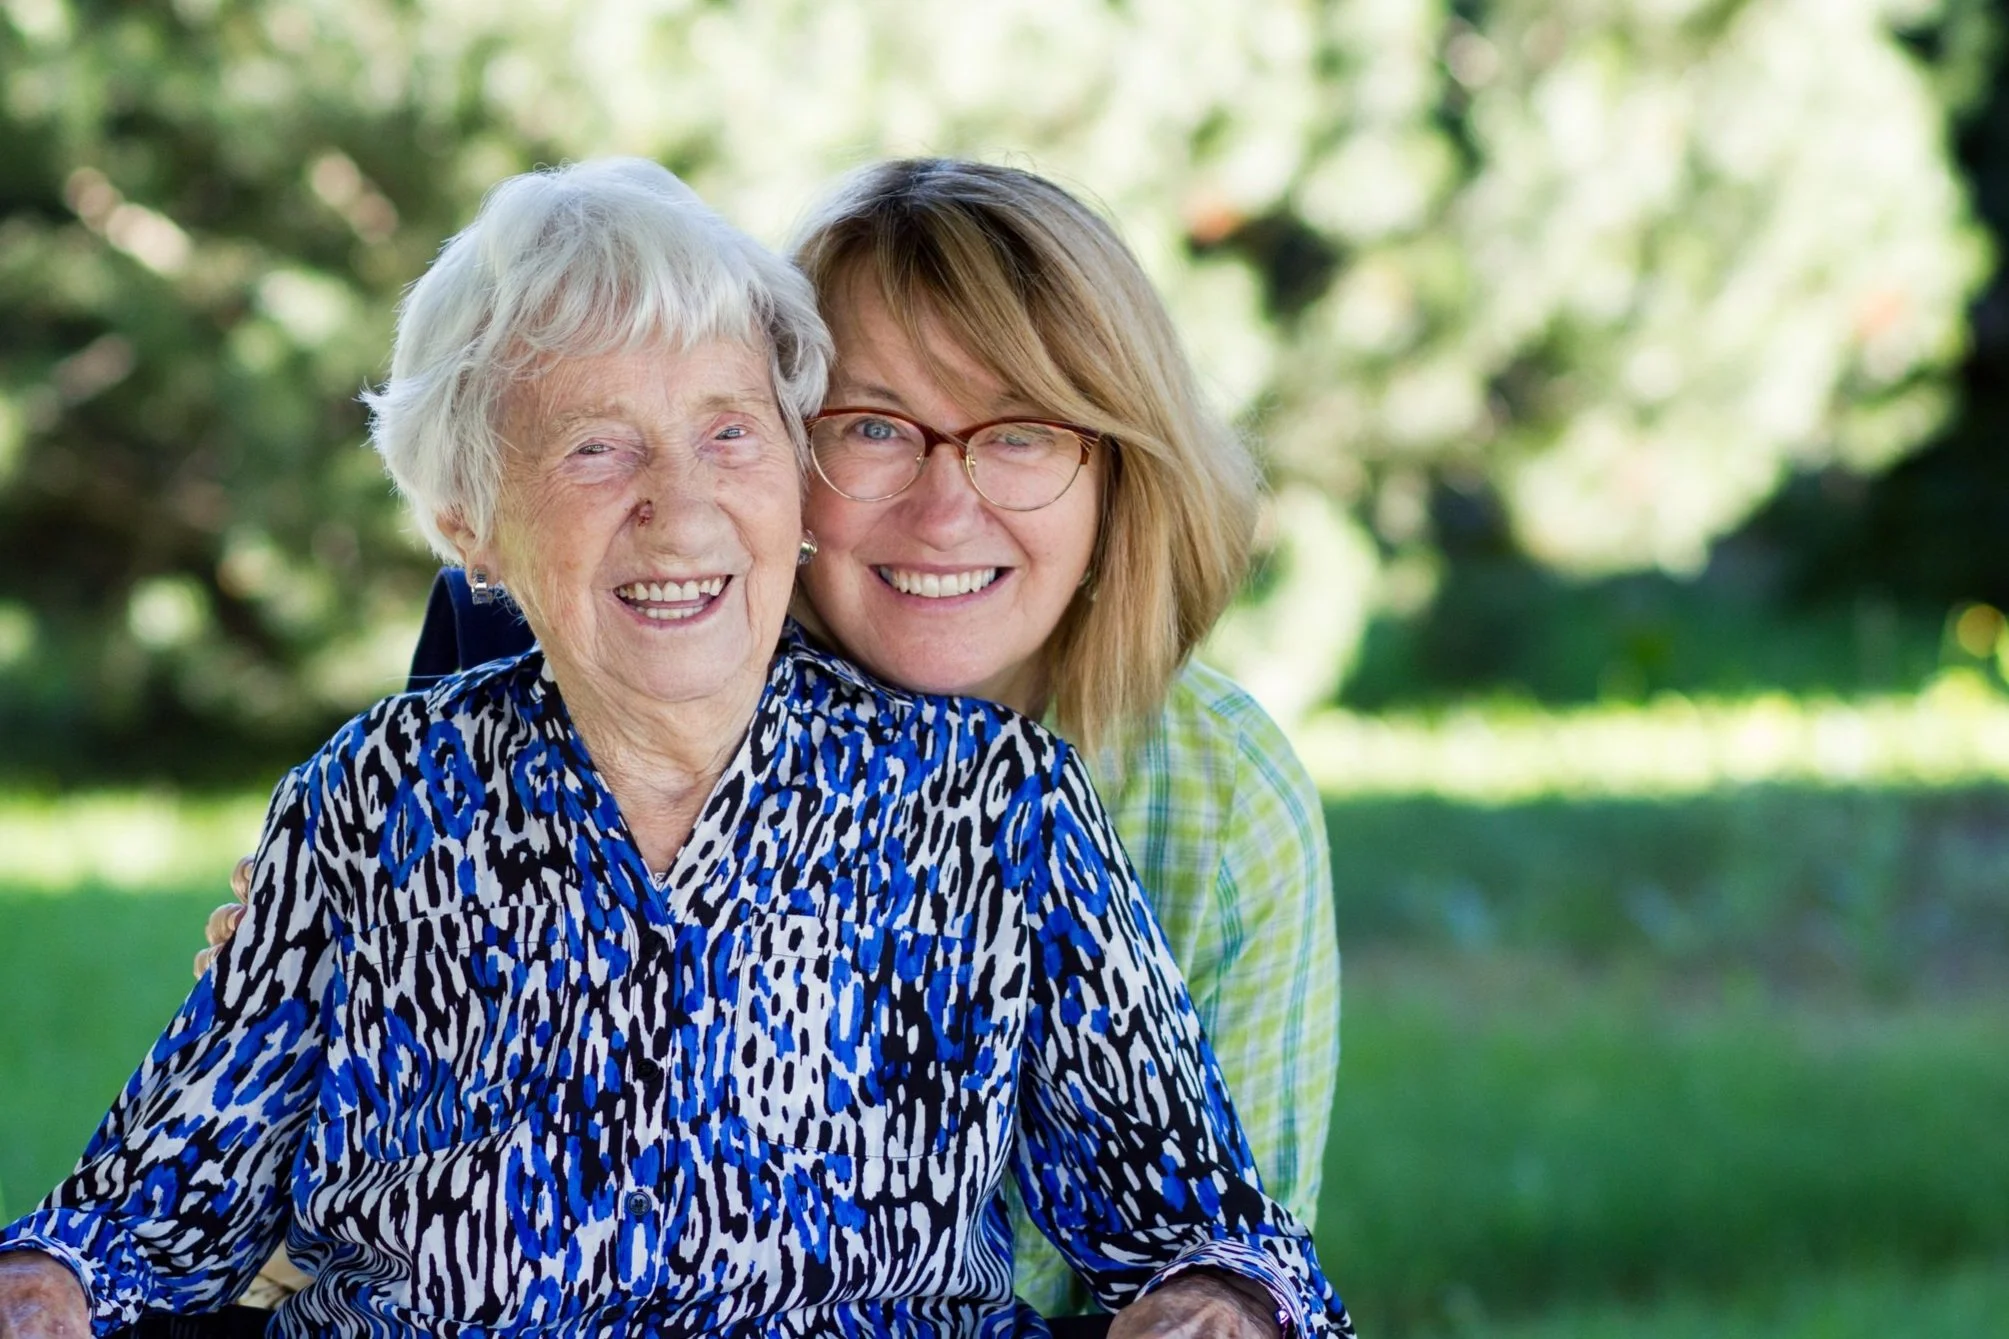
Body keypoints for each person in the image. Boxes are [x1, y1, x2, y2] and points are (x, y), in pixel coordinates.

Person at [0, 159, 1353, 1338]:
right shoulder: (371, 800)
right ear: (469, 520)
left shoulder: (1001, 804)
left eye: (727, 432)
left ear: (786, 474)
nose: (682, 507)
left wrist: (1219, 1299)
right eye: (598, 449)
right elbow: (144, 1213)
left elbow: (1203, 1226)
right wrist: (48, 1282)